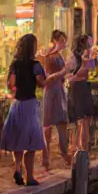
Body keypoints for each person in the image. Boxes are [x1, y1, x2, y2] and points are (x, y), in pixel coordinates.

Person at [0, 33, 48, 187]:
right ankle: (30, 177)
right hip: (29, 104)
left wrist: (16, 89)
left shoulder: (15, 64)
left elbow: (10, 84)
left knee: (18, 139)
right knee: (31, 141)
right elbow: (42, 82)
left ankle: (18, 168)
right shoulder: (35, 65)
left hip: (17, 104)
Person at [40, 30, 71, 171]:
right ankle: (46, 157)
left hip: (59, 90)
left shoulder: (59, 55)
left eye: (64, 41)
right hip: (52, 90)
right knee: (48, 126)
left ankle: (64, 153)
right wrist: (63, 72)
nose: (63, 44)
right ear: (54, 40)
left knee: (62, 122)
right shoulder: (48, 55)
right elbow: (47, 77)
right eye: (61, 41)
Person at [67, 34, 97, 154]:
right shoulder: (75, 57)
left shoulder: (88, 55)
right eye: (89, 42)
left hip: (84, 85)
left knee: (87, 117)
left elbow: (91, 69)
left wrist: (91, 59)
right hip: (78, 87)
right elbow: (73, 75)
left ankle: (84, 146)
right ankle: (80, 147)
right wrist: (85, 63)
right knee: (81, 118)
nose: (91, 43)